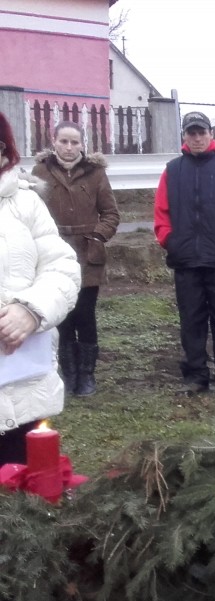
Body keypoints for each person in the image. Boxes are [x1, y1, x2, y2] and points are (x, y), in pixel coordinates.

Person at [153, 111, 215, 398]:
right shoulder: (172, 171)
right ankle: (195, 375)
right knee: (191, 320)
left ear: (211, 134)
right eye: (192, 133)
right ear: (185, 136)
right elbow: (161, 212)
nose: (197, 138)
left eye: (201, 132)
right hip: (186, 259)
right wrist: (170, 240)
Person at [0, 111, 81, 465]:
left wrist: (31, 310)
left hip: (19, 386)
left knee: (19, 481)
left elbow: (62, 268)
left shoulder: (26, 202)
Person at [32, 121, 120, 397]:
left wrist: (97, 237)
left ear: (83, 144)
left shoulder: (95, 173)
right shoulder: (40, 172)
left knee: (85, 314)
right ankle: (68, 374)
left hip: (87, 253)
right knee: (62, 316)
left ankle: (87, 376)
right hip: (52, 253)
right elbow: (32, 212)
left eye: (74, 142)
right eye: (64, 141)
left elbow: (110, 214)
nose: (69, 148)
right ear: (54, 141)